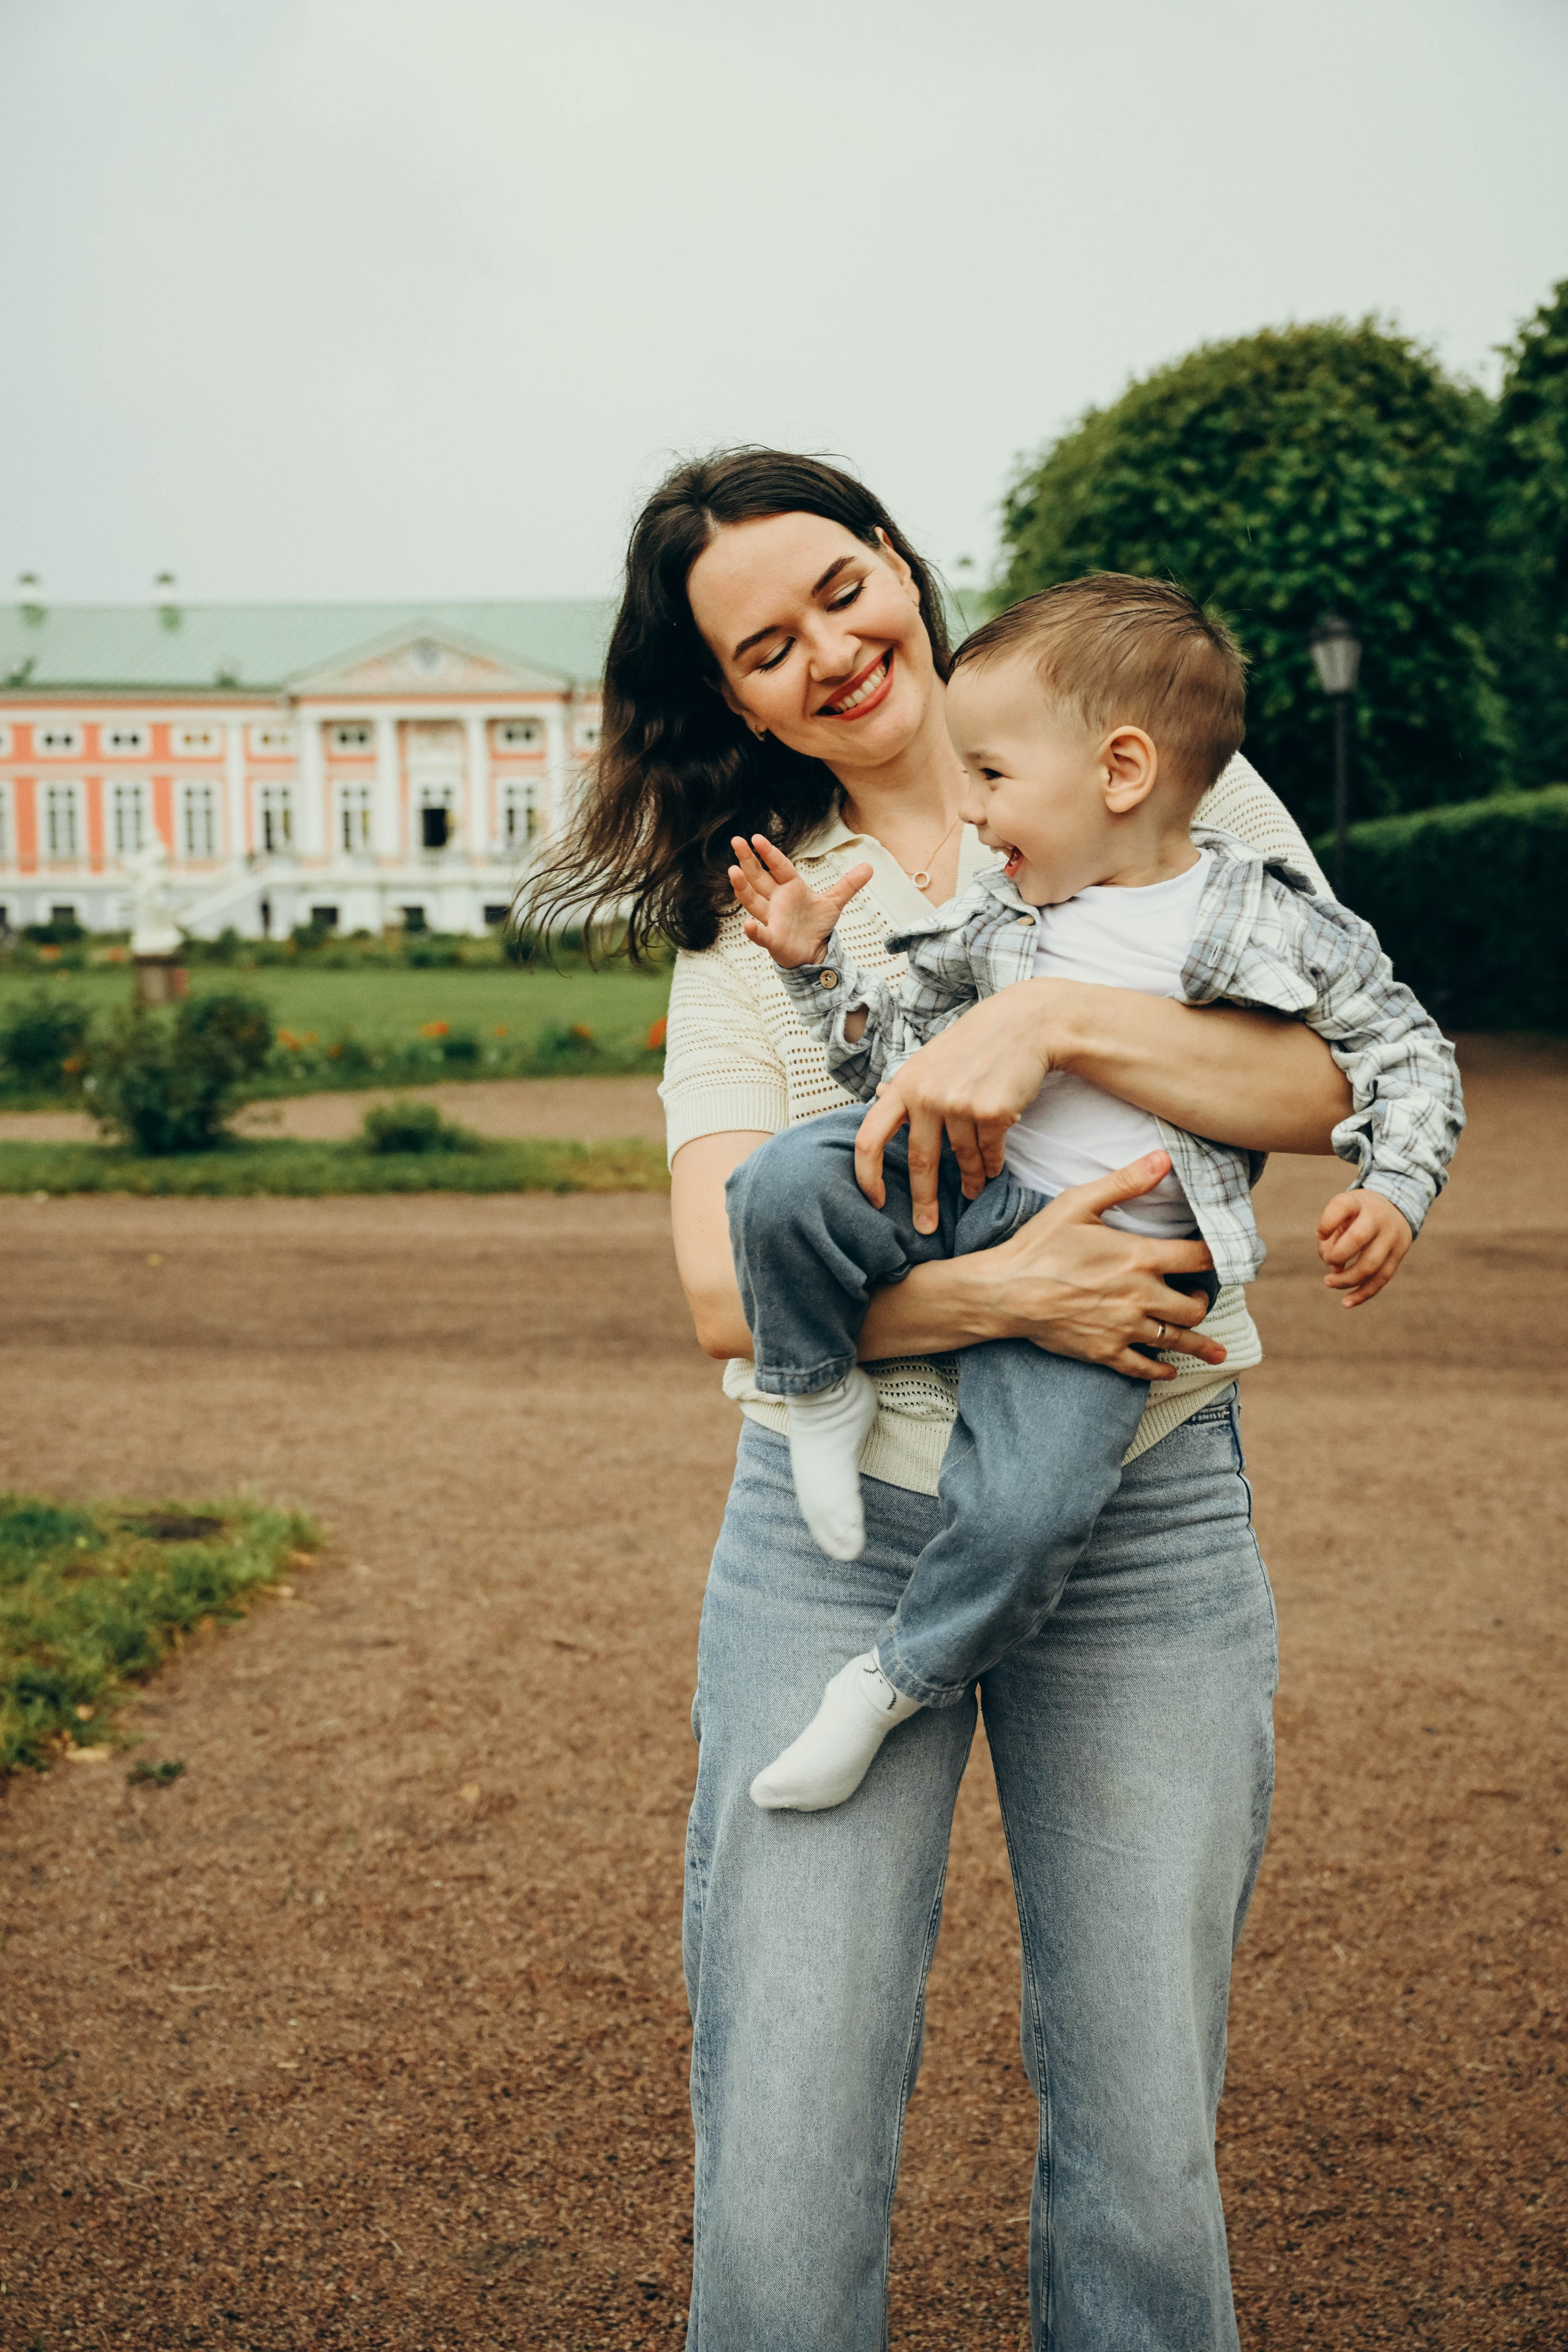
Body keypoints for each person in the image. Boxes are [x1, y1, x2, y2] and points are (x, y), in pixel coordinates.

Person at [524, 448, 1364, 2352]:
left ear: (905, 561)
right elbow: (712, 1282)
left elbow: (1325, 1084)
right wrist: (1003, 1290)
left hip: (1149, 1514)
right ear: (730, 699)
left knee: (1149, 2135)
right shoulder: (755, 918)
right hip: (836, 1549)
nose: (829, 647)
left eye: (843, 585)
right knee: (789, 2134)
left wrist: (1054, 1017)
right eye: (764, 645)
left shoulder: (1146, 758)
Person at [723, 574, 1461, 1813]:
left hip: (1120, 1277)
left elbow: (1405, 1054)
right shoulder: (1005, 910)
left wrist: (1392, 1186)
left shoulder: (1266, 924)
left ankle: (889, 1682)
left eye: (991, 776)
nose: (966, 807)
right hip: (964, 1197)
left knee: (1023, 1518)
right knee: (776, 1182)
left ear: (1119, 771)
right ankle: (815, 1397)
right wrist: (816, 971)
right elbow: (899, 1057)